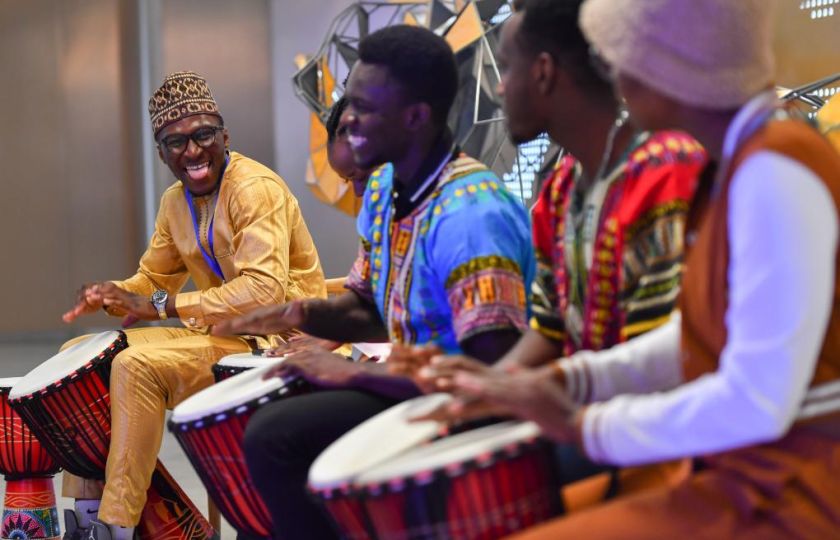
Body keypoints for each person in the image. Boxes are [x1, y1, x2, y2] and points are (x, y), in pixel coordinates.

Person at [434, 0, 840, 536]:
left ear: (667, 69)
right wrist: (570, 380)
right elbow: (692, 338)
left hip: (797, 491)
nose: (616, 76)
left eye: (623, 57)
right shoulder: (740, 162)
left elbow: (756, 401)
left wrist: (584, 425)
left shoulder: (774, 170)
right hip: (745, 473)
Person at [214, 25, 535, 540]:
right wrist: (302, 314)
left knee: (276, 438)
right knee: (270, 431)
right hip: (416, 386)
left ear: (416, 117)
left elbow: (489, 373)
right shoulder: (385, 189)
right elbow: (370, 307)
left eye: (364, 109)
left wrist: (355, 375)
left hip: (471, 410)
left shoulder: (472, 215)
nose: (347, 122)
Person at [397, 0, 705, 486]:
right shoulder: (561, 190)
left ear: (543, 72)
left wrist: (535, 393)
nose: (499, 88)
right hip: (589, 413)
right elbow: (551, 325)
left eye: (506, 68)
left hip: (660, 434)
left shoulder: (663, 170)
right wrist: (484, 385)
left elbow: (656, 357)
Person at [60, 71, 326, 540]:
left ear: (225, 136)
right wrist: (113, 293)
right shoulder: (174, 202)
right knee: (80, 355)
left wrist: (163, 306)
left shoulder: (253, 189)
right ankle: (88, 510)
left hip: (277, 339)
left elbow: (262, 292)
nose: (193, 151)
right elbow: (152, 281)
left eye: (203, 135)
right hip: (220, 335)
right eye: (175, 142)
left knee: (136, 367)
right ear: (161, 152)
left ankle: (117, 525)